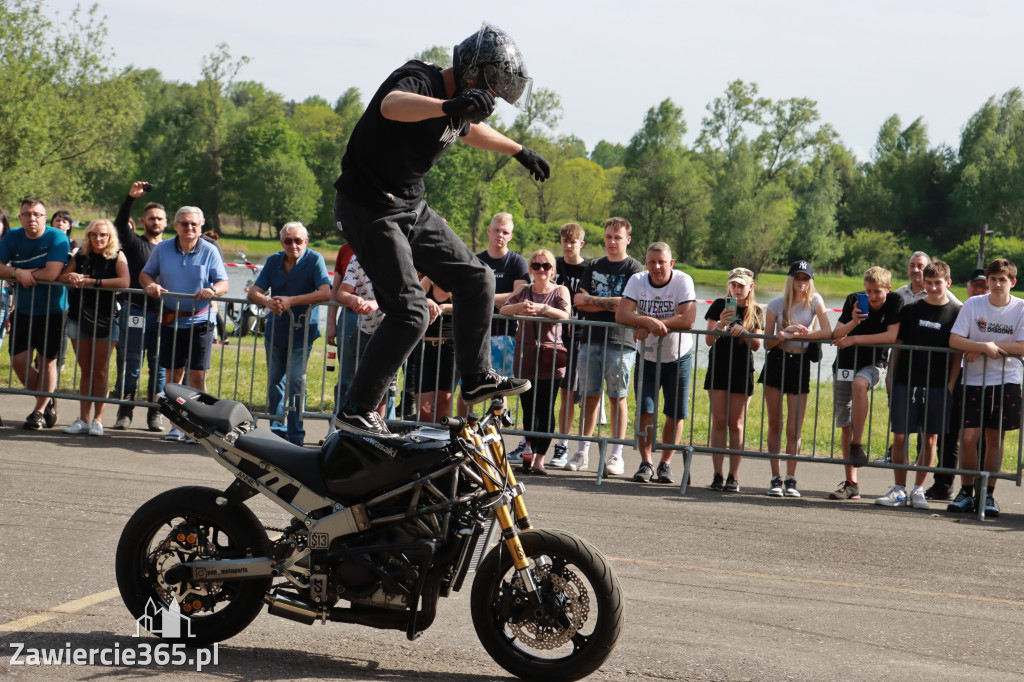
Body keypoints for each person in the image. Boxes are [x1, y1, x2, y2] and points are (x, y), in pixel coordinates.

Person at [331, 22, 547, 437]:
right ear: (472, 71)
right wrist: (448, 106)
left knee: (476, 278)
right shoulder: (421, 78)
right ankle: (357, 408)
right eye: (492, 87)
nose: (494, 97)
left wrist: (519, 151)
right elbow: (392, 106)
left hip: (410, 206)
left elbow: (473, 132)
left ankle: (477, 375)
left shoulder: (459, 107)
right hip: (368, 208)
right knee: (411, 313)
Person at [874, 260, 962, 510]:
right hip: (905, 381)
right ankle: (899, 489)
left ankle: (918, 490)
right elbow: (897, 348)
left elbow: (957, 354)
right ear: (923, 283)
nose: (933, 288)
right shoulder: (911, 310)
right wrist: (891, 378)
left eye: (938, 283)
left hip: (937, 385)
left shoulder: (957, 312)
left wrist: (950, 385)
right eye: (929, 283)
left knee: (930, 438)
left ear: (948, 282)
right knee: (900, 436)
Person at [139, 206, 229, 442]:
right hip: (171, 320)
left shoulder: (210, 250)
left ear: (201, 225)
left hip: (201, 320)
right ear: (176, 225)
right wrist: (151, 285)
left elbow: (223, 283)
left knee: (197, 375)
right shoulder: (163, 248)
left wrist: (212, 290)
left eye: (194, 224)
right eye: (184, 223)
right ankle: (177, 425)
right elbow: (145, 274)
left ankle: (198, 427)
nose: (189, 228)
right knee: (173, 376)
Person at [565, 217, 644, 474]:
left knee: (617, 397)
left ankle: (616, 455)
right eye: (609, 237)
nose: (612, 242)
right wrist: (613, 303)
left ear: (627, 239)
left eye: (617, 237)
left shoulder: (635, 269)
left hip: (621, 342)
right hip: (590, 340)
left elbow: (629, 306)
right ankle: (582, 451)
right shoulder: (594, 266)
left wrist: (596, 300)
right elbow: (579, 301)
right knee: (588, 398)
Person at [946, 258, 1024, 517]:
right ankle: (966, 491)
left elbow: (1022, 346)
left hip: (1006, 381)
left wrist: (982, 345)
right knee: (968, 437)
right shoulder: (972, 304)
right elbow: (955, 339)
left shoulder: (1021, 308)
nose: (997, 284)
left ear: (1012, 282)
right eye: (993, 280)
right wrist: (980, 348)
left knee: (995, 439)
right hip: (974, 381)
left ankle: (988, 494)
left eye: (1003, 280)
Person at [616, 242, 696, 484]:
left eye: (662, 262)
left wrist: (651, 325)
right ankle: (646, 462)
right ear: (646, 262)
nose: (657, 267)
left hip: (677, 357)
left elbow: (688, 318)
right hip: (647, 357)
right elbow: (622, 314)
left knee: (675, 412)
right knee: (645, 411)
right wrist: (648, 321)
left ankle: (666, 464)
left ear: (671, 263)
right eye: (652, 262)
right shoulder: (638, 280)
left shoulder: (683, 281)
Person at [247, 222, 331, 445]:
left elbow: (325, 292)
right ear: (281, 241)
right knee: (275, 380)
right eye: (288, 240)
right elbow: (254, 291)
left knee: (295, 379)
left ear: (306, 241)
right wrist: (268, 301)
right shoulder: (274, 260)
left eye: (298, 240)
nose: (293, 245)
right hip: (276, 330)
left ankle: (295, 434)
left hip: (304, 330)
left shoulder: (314, 259)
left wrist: (291, 301)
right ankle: (277, 432)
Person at [828, 266, 903, 500]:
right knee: (844, 421)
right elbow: (836, 334)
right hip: (844, 365)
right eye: (868, 290)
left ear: (888, 289)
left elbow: (891, 336)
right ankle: (851, 483)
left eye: (877, 292)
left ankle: (857, 445)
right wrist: (853, 322)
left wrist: (855, 339)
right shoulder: (854, 300)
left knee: (860, 385)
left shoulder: (895, 301)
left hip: (873, 363)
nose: (871, 296)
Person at [760, 260, 832, 497]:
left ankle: (791, 478)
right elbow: (767, 343)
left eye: (806, 279)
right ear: (790, 279)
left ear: (810, 281)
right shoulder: (776, 304)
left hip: (800, 363)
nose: (801, 283)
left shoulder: (816, 301)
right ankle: (775, 477)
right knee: (776, 424)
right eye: (798, 278)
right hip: (778, 361)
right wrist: (784, 333)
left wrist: (807, 334)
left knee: (794, 429)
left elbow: (827, 331)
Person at [0, 198, 70, 430]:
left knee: (48, 362)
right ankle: (47, 398)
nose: (32, 218)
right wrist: (17, 271)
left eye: (37, 214)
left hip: (54, 310)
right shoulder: (11, 237)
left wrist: (18, 273)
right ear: (19, 218)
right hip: (23, 309)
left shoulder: (56, 237)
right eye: (27, 214)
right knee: (19, 361)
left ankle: (38, 412)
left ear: (44, 217)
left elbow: (52, 273)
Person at [500, 249, 571, 474]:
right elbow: (503, 309)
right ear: (531, 269)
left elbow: (566, 314)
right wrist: (522, 306)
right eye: (537, 265)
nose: (541, 270)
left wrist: (543, 309)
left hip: (551, 358)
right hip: (526, 357)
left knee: (546, 408)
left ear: (553, 270)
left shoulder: (560, 290)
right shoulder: (524, 290)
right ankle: (528, 454)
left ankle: (540, 458)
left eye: (546, 266)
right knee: (529, 409)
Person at [58, 220, 129, 436]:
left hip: (106, 318)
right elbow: (61, 277)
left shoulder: (118, 255)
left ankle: (98, 420)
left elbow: (124, 282)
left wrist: (94, 282)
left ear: (110, 237)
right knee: (85, 369)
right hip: (78, 317)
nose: (98, 239)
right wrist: (71, 276)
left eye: (103, 235)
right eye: (94, 235)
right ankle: (83, 419)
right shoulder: (81, 255)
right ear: (88, 236)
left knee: (100, 370)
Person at [926, 268, 990, 500]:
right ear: (967, 287)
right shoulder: (959, 310)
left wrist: (974, 347)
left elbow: (999, 342)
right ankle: (943, 484)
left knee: (979, 436)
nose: (980, 289)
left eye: (984, 285)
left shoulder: (991, 312)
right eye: (976, 285)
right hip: (955, 377)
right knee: (948, 433)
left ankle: (981, 490)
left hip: (983, 380)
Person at [111, 182, 168, 431]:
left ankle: (156, 414)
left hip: (165, 315)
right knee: (131, 363)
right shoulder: (135, 244)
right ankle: (125, 411)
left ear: (167, 222)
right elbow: (120, 226)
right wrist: (130, 199)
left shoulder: (170, 249)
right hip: (135, 311)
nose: (155, 222)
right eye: (151, 218)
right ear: (143, 222)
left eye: (160, 218)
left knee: (159, 366)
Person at [703, 267, 764, 492]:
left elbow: (758, 345)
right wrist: (720, 324)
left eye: (741, 286)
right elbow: (709, 340)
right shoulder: (719, 304)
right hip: (719, 367)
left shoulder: (755, 309)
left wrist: (745, 332)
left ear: (750, 287)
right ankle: (717, 475)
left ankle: (733, 476)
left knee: (736, 424)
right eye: (733, 285)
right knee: (719, 422)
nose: (737, 290)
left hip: (742, 369)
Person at [477, 212, 531, 457]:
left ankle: (496, 440)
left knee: (500, 389)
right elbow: (465, 292)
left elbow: (517, 295)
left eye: (505, 232)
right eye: (497, 230)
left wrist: (484, 297)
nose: (500, 235)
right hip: (476, 331)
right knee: (467, 386)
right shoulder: (476, 259)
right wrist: (500, 299)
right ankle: (466, 434)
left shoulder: (517, 262)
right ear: (489, 231)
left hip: (504, 334)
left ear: (511, 235)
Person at [335, 255, 394, 420]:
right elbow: (342, 292)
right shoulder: (357, 259)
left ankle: (377, 433)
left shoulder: (395, 256)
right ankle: (354, 432)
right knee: (357, 387)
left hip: (390, 330)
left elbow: (401, 294)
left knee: (382, 389)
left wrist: (375, 304)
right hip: (363, 332)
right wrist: (353, 299)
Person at [551, 221, 589, 468]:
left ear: (581, 244)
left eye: (572, 242)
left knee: (568, 393)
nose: (567, 246)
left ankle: (563, 445)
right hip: (554, 335)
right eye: (564, 241)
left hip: (579, 335)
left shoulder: (589, 269)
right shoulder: (553, 265)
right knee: (547, 390)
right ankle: (531, 442)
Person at [411, 275, 457, 422]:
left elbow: (470, 304)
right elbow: (412, 296)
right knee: (424, 408)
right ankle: (426, 441)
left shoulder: (459, 280)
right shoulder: (429, 280)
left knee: (444, 404)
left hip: (449, 349)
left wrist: (445, 307)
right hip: (425, 348)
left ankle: (440, 442)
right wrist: (428, 300)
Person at [895, 251, 960, 305]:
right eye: (912, 266)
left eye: (920, 266)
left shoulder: (941, 294)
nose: (915, 270)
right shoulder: (900, 293)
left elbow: (961, 309)